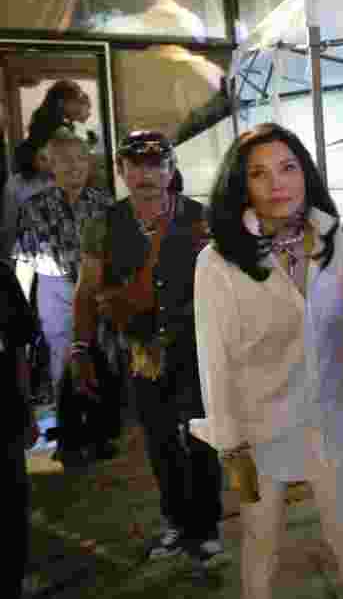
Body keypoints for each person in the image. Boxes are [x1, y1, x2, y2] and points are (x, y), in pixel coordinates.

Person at [194, 123, 343, 599]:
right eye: (259, 173)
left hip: (328, 416)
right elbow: (214, 361)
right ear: (242, 186)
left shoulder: (327, 239)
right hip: (258, 430)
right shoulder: (218, 262)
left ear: (305, 174)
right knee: (261, 544)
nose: (277, 183)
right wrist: (230, 447)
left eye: (287, 167)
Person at [71, 131, 225, 567]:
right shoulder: (103, 224)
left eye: (157, 165)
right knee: (159, 440)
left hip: (197, 347)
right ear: (121, 171)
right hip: (139, 350)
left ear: (171, 170)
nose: (147, 175)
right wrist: (80, 347)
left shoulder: (201, 217)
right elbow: (86, 291)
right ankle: (175, 523)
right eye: (136, 165)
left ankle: (207, 526)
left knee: (201, 436)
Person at [13, 130, 116, 463]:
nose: (74, 167)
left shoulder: (104, 202)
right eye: (65, 161)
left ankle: (100, 435)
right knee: (61, 361)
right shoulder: (34, 207)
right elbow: (24, 260)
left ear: (89, 163)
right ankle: (70, 440)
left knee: (97, 356)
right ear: (50, 165)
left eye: (80, 159)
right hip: (54, 289)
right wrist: (21, 306)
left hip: (97, 286)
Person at [2, 260, 39, 598]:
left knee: (12, 501)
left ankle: (14, 579)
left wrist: (27, 410)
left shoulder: (1, 274)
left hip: (5, 414)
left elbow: (17, 349)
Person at [1, 135, 54, 266]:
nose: (50, 162)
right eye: (43, 158)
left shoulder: (55, 181)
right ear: (30, 160)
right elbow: (9, 226)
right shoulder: (14, 185)